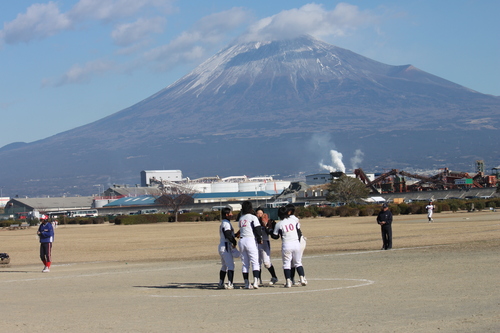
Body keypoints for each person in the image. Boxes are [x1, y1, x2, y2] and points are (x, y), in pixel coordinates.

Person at [271, 204, 307, 288]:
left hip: (287, 244)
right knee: (298, 262)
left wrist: (270, 229)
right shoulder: (293, 221)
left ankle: (288, 281)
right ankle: (302, 278)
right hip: (296, 243)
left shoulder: (279, 224)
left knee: (287, 264)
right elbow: (298, 230)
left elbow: (275, 236)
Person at [238, 201, 263, 289]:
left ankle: (246, 283)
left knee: (245, 263)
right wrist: (259, 238)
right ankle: (256, 282)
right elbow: (257, 229)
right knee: (255, 262)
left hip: (242, 240)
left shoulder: (241, 218)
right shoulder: (253, 217)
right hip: (250, 240)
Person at [255, 207, 278, 286]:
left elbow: (270, 231)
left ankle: (274, 277)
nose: (259, 215)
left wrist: (265, 224)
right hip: (256, 243)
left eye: (261, 213)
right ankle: (258, 279)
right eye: (258, 213)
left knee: (266, 263)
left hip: (265, 243)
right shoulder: (254, 222)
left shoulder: (268, 221)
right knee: (257, 262)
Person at [217, 207, 237, 290]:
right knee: (230, 265)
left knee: (224, 266)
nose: (232, 215)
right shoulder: (226, 223)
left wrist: (235, 235)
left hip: (222, 245)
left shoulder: (225, 223)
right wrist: (234, 241)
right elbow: (227, 234)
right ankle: (230, 283)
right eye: (230, 213)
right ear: (226, 214)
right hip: (225, 246)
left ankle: (221, 282)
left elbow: (229, 234)